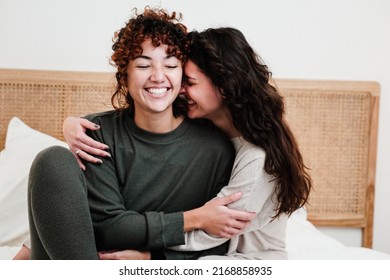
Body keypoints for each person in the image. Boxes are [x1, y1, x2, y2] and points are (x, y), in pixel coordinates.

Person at [18, 7, 255, 260]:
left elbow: (215, 242)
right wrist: (195, 218)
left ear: (182, 76)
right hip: (83, 260)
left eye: (171, 65)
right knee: (52, 160)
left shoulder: (215, 148)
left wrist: (152, 259)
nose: (158, 77)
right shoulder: (95, 134)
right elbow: (108, 230)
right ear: (125, 75)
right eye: (143, 65)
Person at [62, 27, 313, 260]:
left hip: (245, 261)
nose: (178, 89)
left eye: (189, 83)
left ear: (223, 87)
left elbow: (214, 229)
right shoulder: (205, 131)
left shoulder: (255, 156)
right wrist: (73, 123)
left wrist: (150, 257)